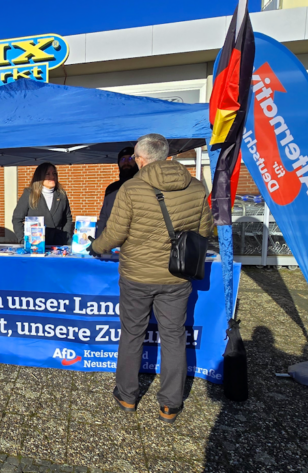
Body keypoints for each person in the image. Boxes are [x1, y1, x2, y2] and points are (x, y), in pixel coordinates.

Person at [88, 133, 213, 424]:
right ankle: (170, 404)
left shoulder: (131, 188)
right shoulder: (196, 187)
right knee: (174, 336)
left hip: (137, 276)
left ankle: (127, 396)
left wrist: (96, 246)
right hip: (177, 276)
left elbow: (115, 233)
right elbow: (205, 230)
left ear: (141, 159)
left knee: (132, 334)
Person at [12, 162, 73, 245]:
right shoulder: (29, 194)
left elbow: (67, 218)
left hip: (58, 244)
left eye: (54, 173)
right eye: (48, 174)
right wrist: (24, 240)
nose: (52, 177)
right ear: (40, 176)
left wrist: (65, 236)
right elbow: (17, 219)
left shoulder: (62, 195)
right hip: (35, 244)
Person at [97, 146, 139, 237]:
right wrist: (97, 239)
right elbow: (104, 217)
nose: (126, 162)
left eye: (130, 159)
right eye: (123, 159)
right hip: (112, 239)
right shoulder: (112, 188)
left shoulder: (143, 186)